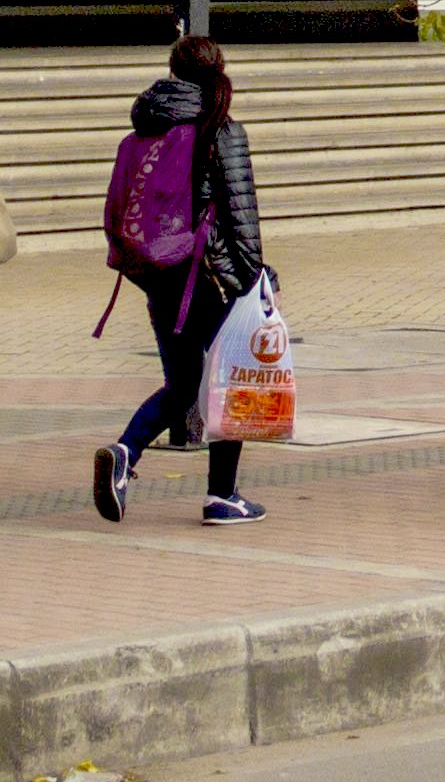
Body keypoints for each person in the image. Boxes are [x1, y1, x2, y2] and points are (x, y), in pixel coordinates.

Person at [93, 32, 271, 527]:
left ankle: (125, 451)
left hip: (158, 273)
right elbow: (241, 213)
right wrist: (255, 277)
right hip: (211, 276)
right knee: (229, 380)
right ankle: (222, 496)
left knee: (183, 383)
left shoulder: (143, 130)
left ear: (173, 72)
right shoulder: (220, 128)